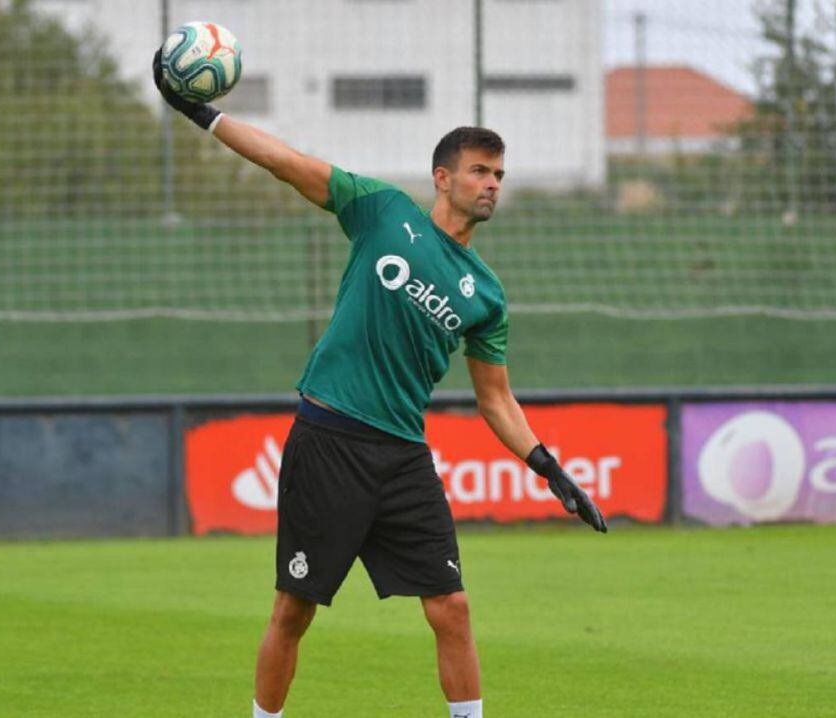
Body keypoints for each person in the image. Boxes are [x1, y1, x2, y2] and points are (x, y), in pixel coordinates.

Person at [153, 50, 606, 718]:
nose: (492, 185)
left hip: (401, 457)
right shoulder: (380, 210)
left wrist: (546, 465)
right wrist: (202, 114)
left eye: (500, 175)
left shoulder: (488, 295)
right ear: (442, 177)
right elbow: (284, 160)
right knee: (293, 610)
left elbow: (495, 398)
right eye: (480, 171)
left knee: (451, 607)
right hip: (330, 438)